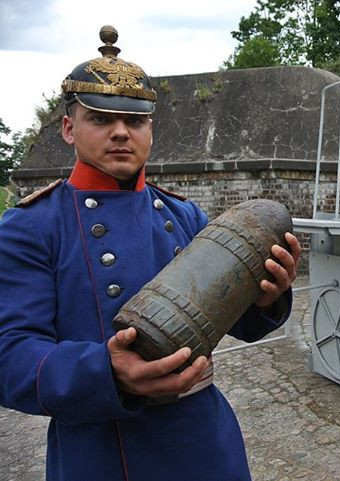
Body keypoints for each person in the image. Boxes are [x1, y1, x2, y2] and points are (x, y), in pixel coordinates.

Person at [0, 26, 300, 481]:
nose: (121, 132)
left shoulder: (184, 215)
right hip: (101, 450)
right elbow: (10, 353)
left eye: (135, 121)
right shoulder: (32, 226)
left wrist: (263, 298)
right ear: (68, 127)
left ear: (150, 129)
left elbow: (238, 324)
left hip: (202, 441)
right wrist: (106, 372)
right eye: (100, 119)